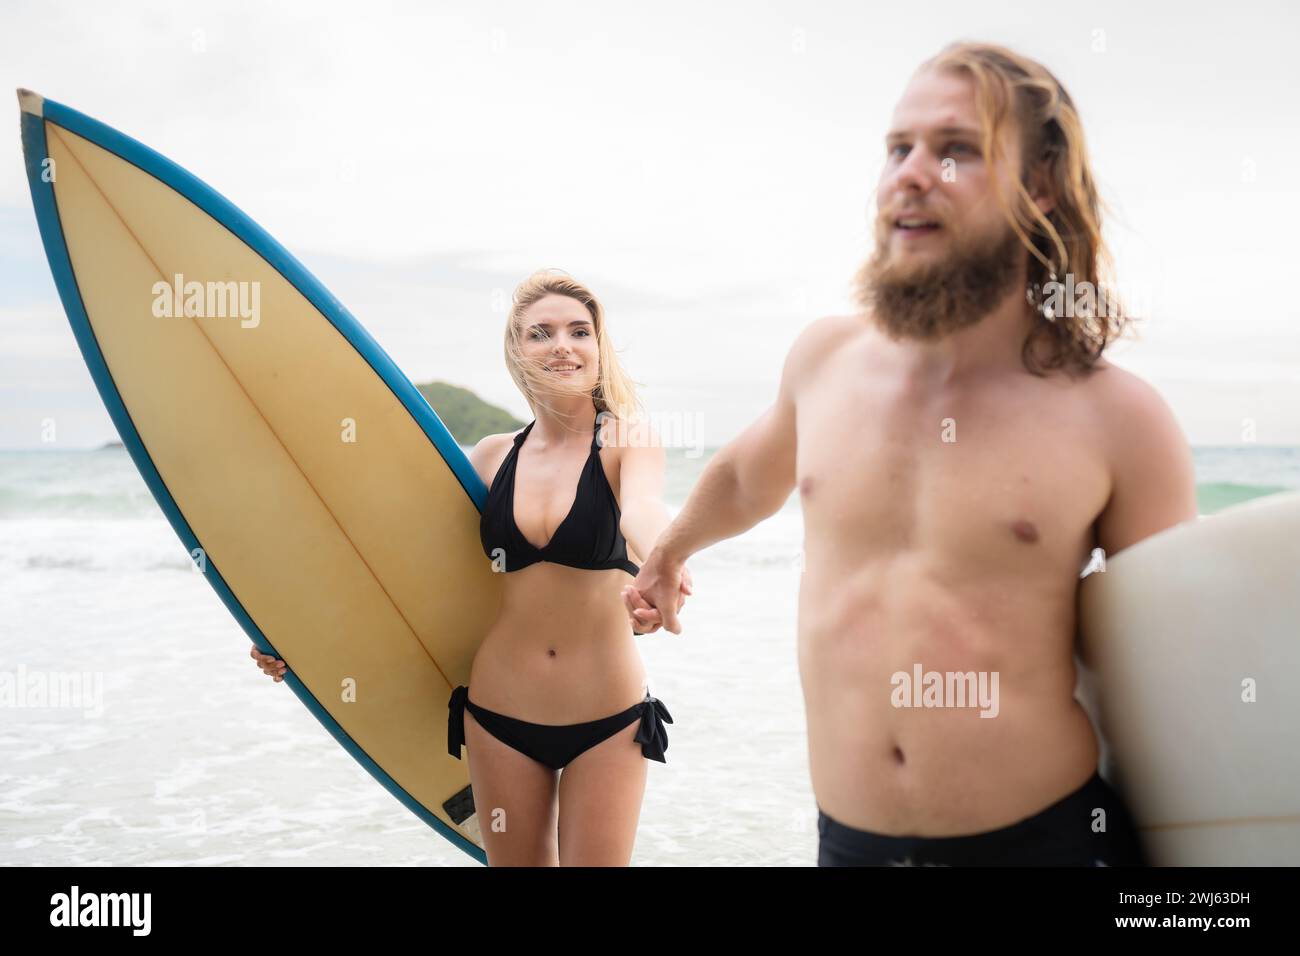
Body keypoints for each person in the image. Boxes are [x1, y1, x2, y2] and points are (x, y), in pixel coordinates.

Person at [620, 41, 1197, 866]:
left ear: (1038, 186)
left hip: (1045, 844)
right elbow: (750, 476)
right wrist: (670, 550)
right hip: (848, 843)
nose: (911, 173)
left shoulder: (1119, 419)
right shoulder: (824, 362)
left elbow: (1178, 673)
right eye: (900, 148)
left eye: (955, 149)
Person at [253, 269, 691, 865]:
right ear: (517, 351)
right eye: (541, 333)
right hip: (499, 714)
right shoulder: (490, 457)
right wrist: (296, 638)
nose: (562, 344)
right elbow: (390, 564)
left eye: (579, 331)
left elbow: (643, 508)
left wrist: (665, 555)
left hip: (607, 717)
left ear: (598, 346)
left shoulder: (626, 439)